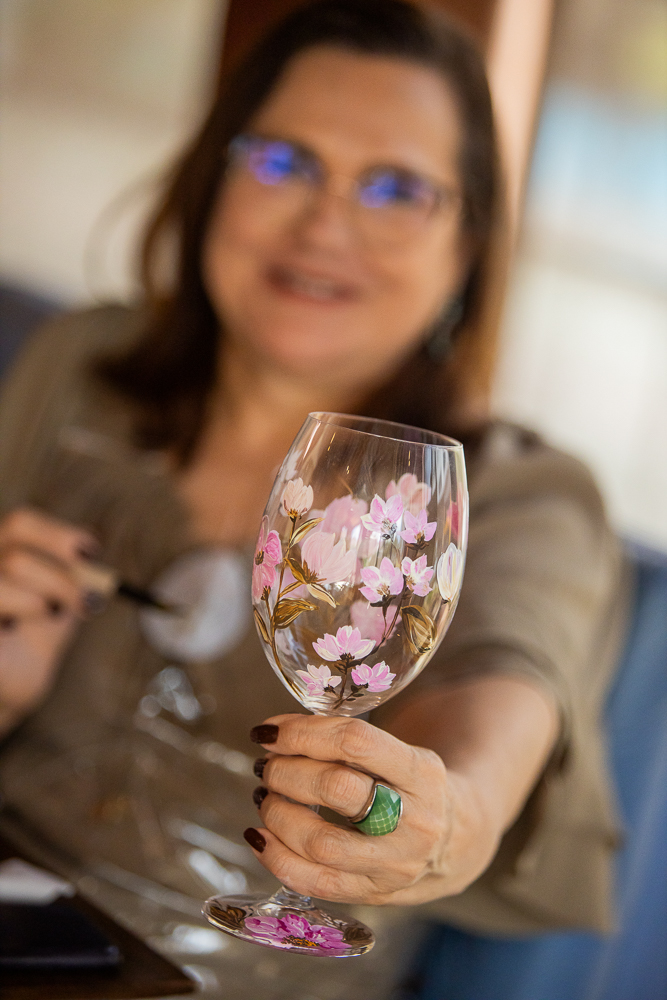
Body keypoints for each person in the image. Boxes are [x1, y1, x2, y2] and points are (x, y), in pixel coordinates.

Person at [0, 0, 628, 957]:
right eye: (283, 163)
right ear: (213, 178)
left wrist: (441, 820)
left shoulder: (521, 496)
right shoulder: (78, 369)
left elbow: (497, 711)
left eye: (395, 188)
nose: (325, 224)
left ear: (467, 244)